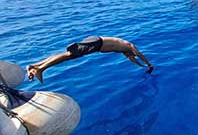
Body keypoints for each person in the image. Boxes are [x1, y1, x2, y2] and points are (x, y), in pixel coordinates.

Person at [26, 36, 155, 82]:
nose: (130, 56)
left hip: (96, 44)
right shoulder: (129, 46)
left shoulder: (124, 50)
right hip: (97, 43)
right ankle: (41, 69)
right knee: (68, 55)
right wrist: (149, 64)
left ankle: (35, 66)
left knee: (67, 56)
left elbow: (133, 59)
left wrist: (143, 67)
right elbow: (139, 54)